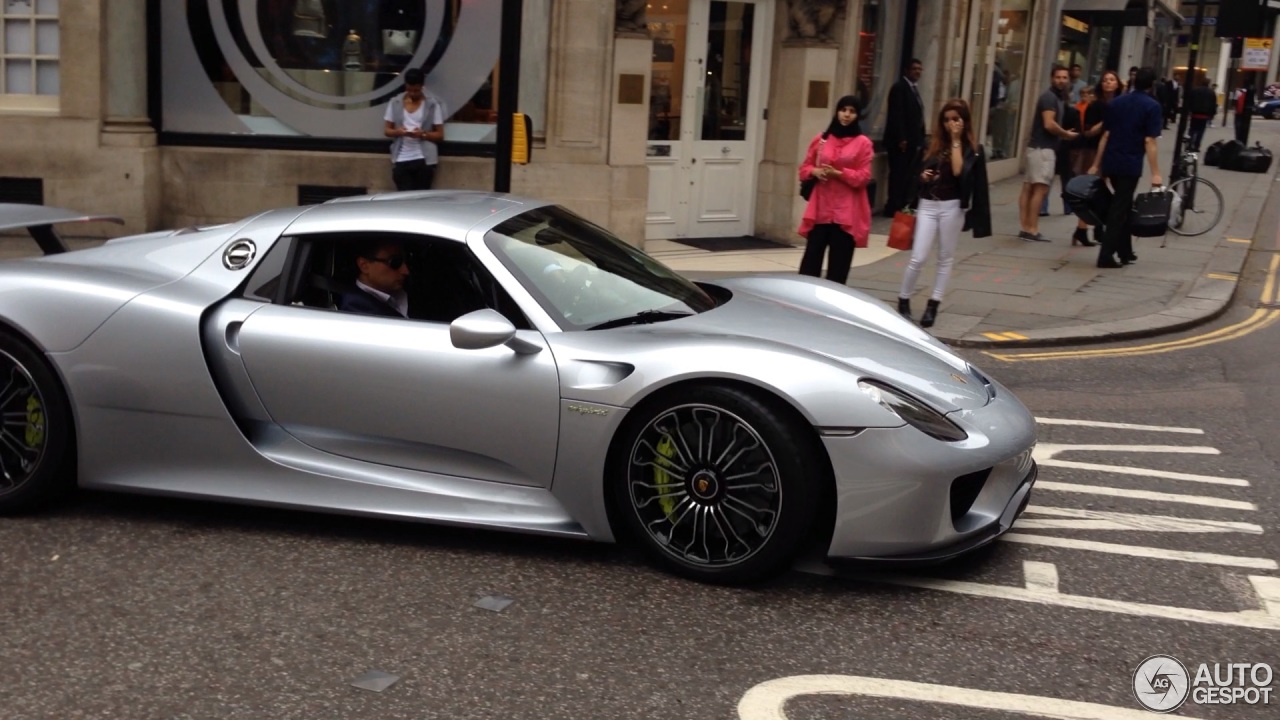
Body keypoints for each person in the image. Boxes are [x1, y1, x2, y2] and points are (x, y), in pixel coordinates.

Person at [896, 99, 991, 329]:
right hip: (928, 204)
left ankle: (934, 303)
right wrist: (924, 177)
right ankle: (903, 299)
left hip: (952, 207)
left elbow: (959, 172)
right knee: (918, 256)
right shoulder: (931, 144)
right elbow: (915, 175)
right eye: (947, 119)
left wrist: (957, 140)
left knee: (945, 257)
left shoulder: (973, 149)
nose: (951, 124)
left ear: (964, 121)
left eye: (956, 119)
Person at [1088, 67, 1163, 269]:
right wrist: (1156, 172)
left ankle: (1125, 251)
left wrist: (1096, 164)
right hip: (1130, 164)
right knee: (1119, 209)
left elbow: (1105, 135)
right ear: (1151, 85)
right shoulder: (1152, 106)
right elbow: (1150, 141)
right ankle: (1105, 255)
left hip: (1111, 161)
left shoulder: (1115, 103)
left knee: (1124, 206)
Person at [797, 95, 874, 285]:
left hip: (846, 212)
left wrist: (839, 173)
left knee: (838, 267)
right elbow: (804, 169)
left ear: (857, 116)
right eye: (843, 110)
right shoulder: (822, 139)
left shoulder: (863, 142)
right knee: (810, 262)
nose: (846, 115)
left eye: (852, 111)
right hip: (821, 208)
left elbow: (864, 177)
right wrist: (815, 171)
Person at [1017, 65, 1079, 242]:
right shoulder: (1050, 98)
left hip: (1037, 147)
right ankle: (1032, 229)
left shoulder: (1055, 98)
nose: (1061, 80)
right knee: (1040, 188)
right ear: (1052, 78)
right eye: (1058, 77)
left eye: (1064, 77)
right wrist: (1066, 134)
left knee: (1029, 187)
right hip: (1043, 149)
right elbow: (1049, 124)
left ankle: (1025, 227)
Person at [383, 67, 446, 191]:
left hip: (424, 158)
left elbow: (440, 134)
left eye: (416, 91)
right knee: (403, 198)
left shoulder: (432, 104)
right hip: (401, 157)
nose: (412, 94)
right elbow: (386, 130)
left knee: (421, 199)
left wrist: (423, 134)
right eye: (409, 90)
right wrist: (398, 132)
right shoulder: (395, 102)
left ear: (422, 86)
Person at [883, 59, 927, 217]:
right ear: (906, 71)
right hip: (900, 143)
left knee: (908, 175)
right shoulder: (899, 88)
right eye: (915, 69)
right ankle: (893, 206)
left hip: (914, 142)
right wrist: (901, 138)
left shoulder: (913, 89)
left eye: (920, 69)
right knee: (898, 174)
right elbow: (897, 115)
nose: (918, 72)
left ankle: (902, 204)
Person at [338, 240, 411, 317]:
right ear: (364, 265)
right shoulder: (357, 312)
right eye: (395, 262)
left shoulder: (404, 293)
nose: (405, 271)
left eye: (407, 261)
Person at [1186, 78, 1218, 152]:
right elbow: (1213, 104)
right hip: (1204, 115)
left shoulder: (1195, 90)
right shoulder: (1211, 92)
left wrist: (1189, 110)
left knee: (1192, 130)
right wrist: (1212, 114)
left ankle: (1190, 144)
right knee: (1201, 131)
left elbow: (1190, 100)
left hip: (1195, 113)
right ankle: (1197, 145)